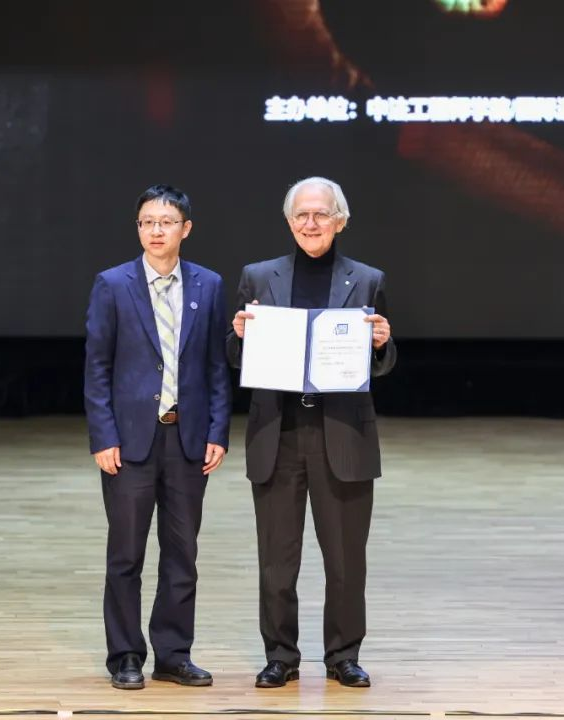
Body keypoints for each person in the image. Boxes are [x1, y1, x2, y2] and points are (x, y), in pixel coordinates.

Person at [226, 176, 395, 689]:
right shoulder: (258, 277)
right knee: (277, 561)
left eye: (321, 214)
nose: (310, 223)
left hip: (341, 433)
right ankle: (281, 656)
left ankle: (343, 656)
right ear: (288, 221)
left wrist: (381, 343)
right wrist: (239, 337)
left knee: (345, 560)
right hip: (278, 433)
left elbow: (383, 363)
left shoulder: (367, 280)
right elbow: (235, 359)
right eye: (301, 214)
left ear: (340, 221)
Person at [85, 184, 232, 690]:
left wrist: (218, 430)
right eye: (147, 222)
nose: (155, 230)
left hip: (187, 439)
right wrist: (103, 436)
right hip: (129, 443)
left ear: (185, 229)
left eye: (166, 222)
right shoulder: (113, 284)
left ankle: (173, 654)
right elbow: (97, 367)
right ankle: (125, 655)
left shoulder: (209, 285)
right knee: (126, 555)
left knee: (182, 555)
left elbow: (216, 365)